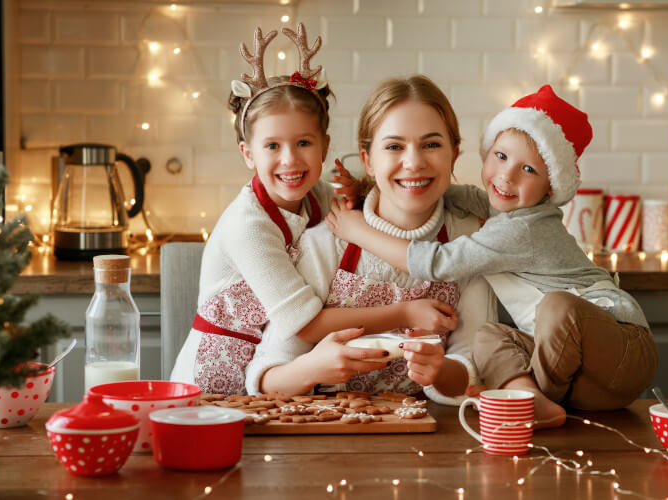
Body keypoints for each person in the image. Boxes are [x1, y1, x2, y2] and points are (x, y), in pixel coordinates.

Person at [326, 85, 658, 427]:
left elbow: (437, 262)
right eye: (500, 156)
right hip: (581, 377)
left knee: (559, 307)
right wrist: (371, 185)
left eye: (528, 170)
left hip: (619, 349)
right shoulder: (506, 208)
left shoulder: (522, 228)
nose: (506, 175)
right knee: (489, 337)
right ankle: (531, 401)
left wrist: (359, 232)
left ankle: (526, 399)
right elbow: (437, 188)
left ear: (550, 188)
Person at [170, 26, 457, 395]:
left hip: (271, 371)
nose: (290, 160)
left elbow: (380, 191)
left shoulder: (314, 195)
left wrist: (358, 190)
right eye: (272, 145)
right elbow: (304, 325)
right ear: (247, 153)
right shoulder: (249, 226)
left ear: (324, 148)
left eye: (303, 142)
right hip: (212, 376)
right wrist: (404, 312)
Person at [245, 75, 496, 402]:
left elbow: (470, 368)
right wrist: (313, 368)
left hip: (431, 442)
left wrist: (439, 369)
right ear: (368, 160)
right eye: (394, 146)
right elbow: (266, 377)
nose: (414, 162)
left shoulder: (470, 243)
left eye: (431, 144)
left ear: (454, 154)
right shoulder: (327, 244)